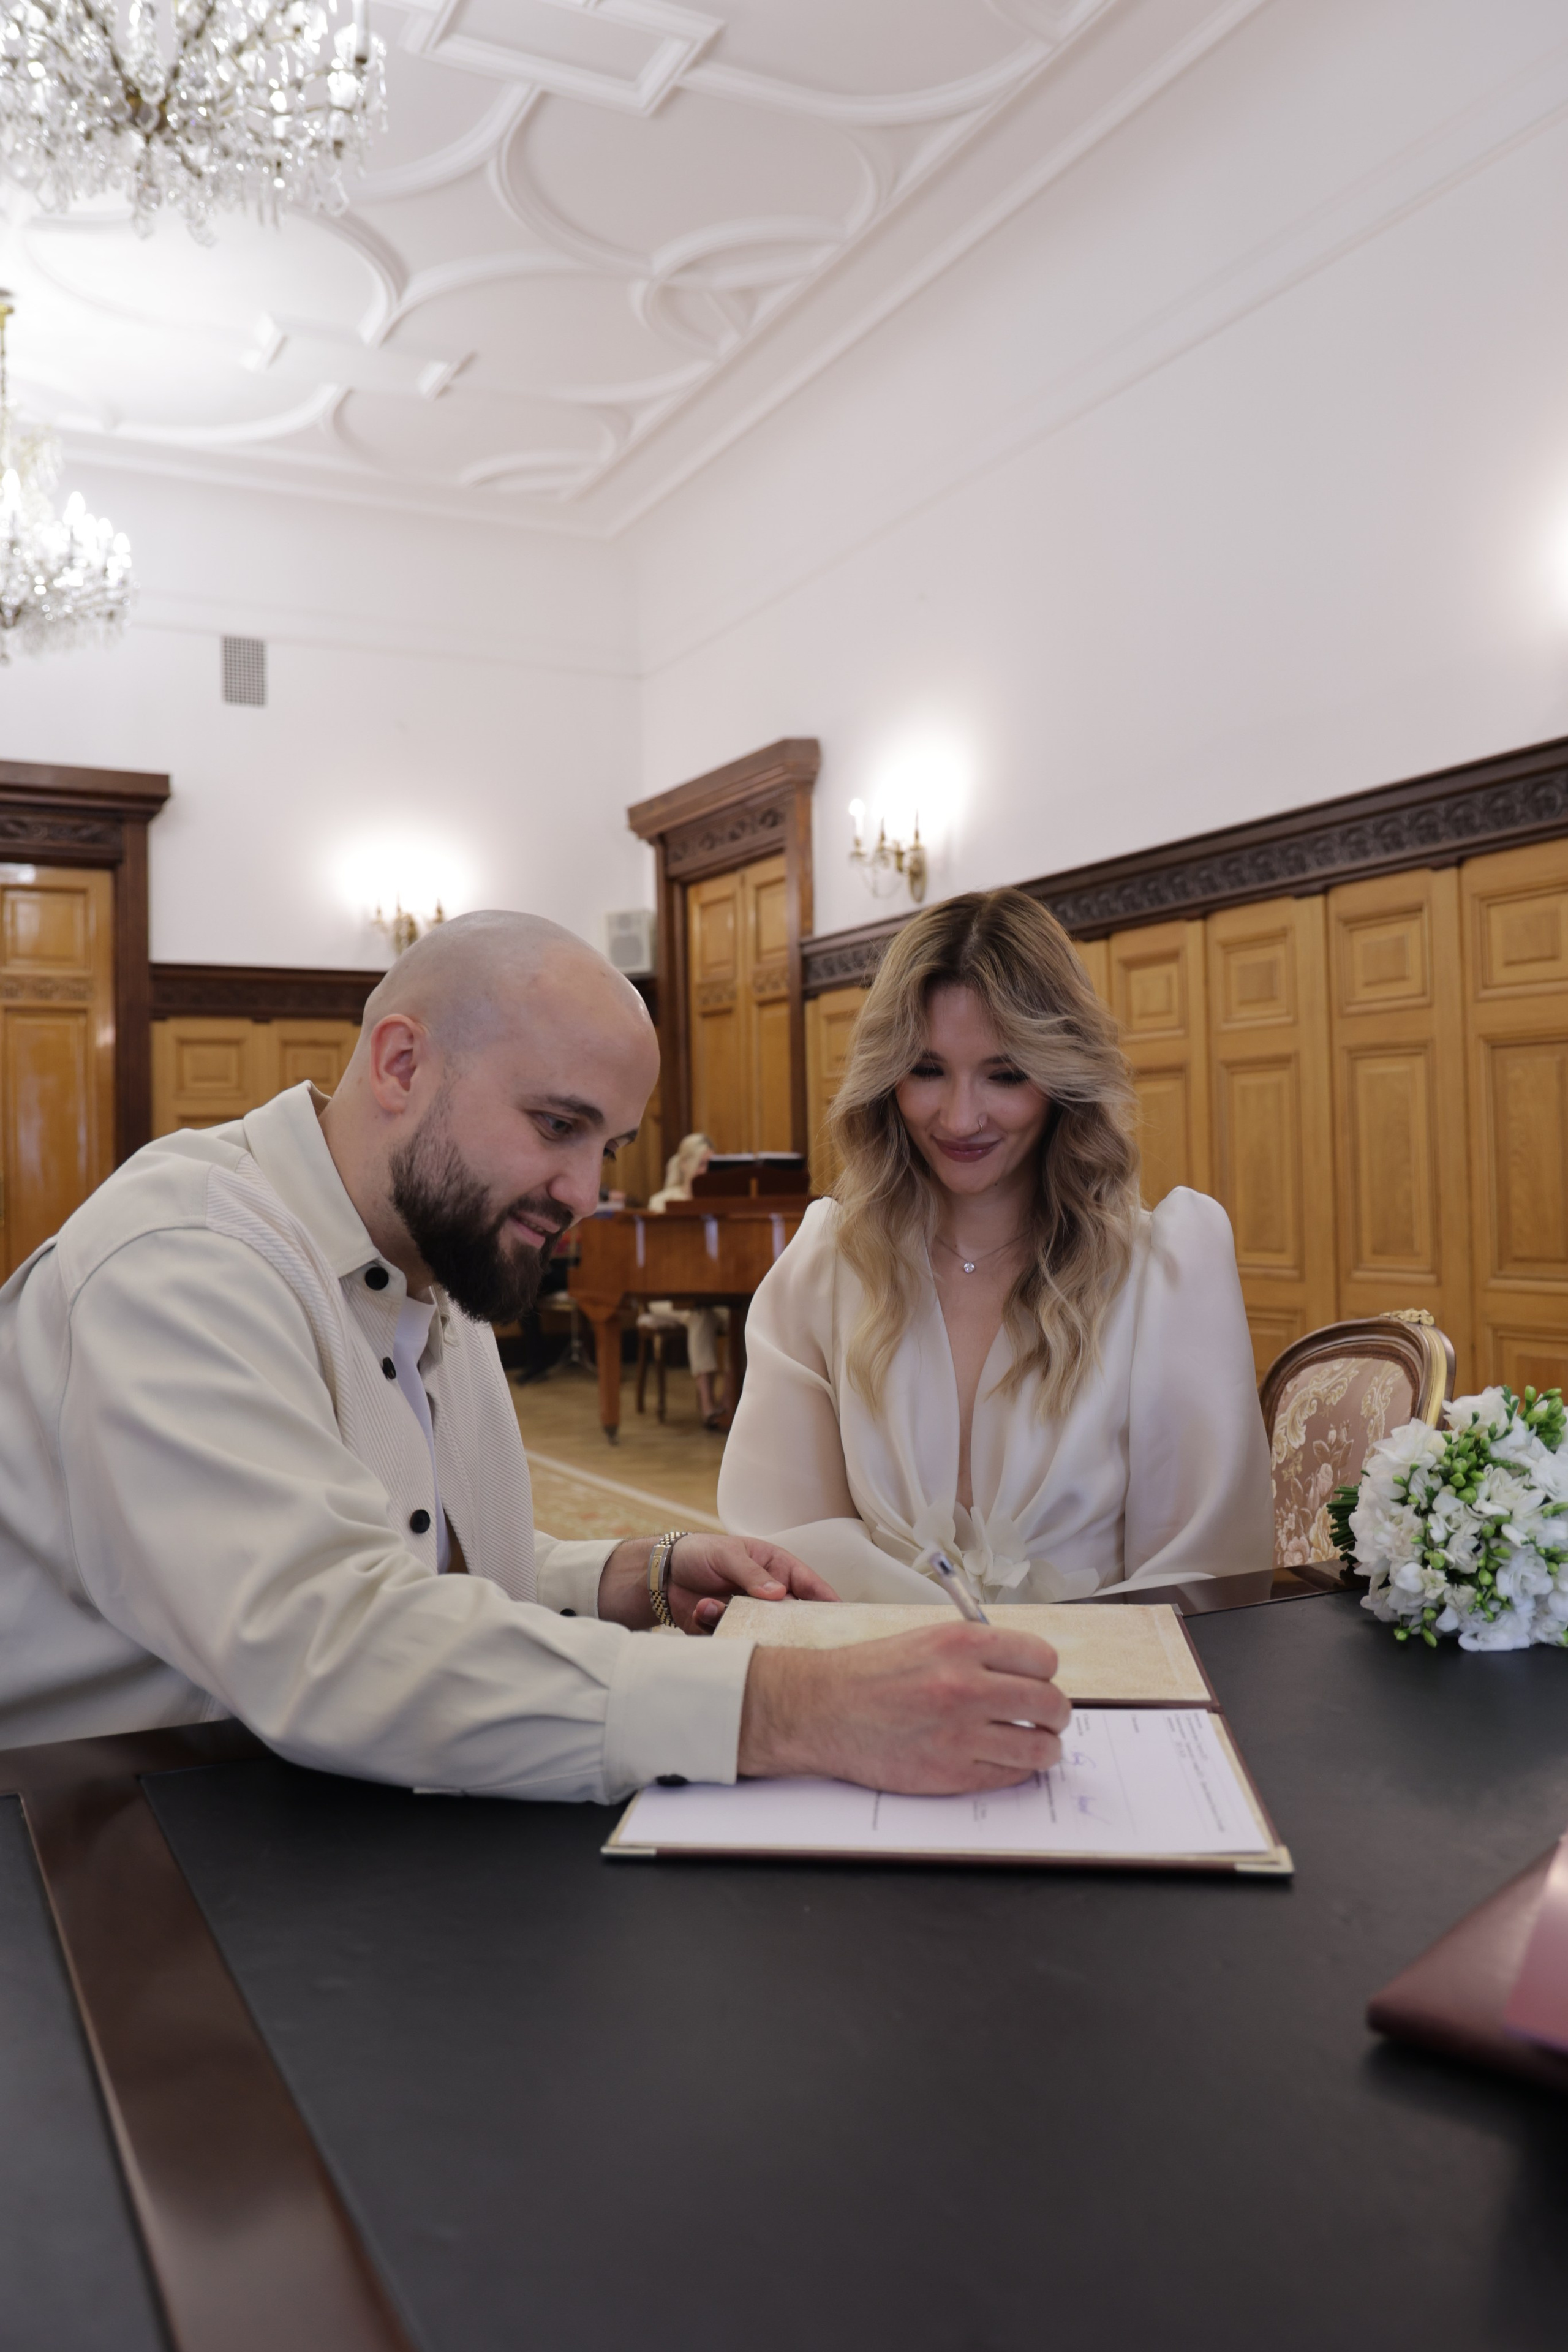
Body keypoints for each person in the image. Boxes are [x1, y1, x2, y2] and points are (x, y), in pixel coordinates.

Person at [0, 910, 1071, 1800]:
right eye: (557, 1125)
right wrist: (797, 1706)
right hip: (88, 1851)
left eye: (604, 1146)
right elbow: (328, 1643)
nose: (584, 1193)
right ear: (402, 1063)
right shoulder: (182, 1261)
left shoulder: (434, 1243)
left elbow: (401, 1547)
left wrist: (621, 1576)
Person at [719, 888, 1273, 1603]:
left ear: (1062, 1079)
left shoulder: (1163, 1274)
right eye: (926, 1070)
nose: (959, 1116)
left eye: (1005, 1074)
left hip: (1100, 1700)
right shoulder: (825, 1268)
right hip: (875, 1687)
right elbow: (783, 1545)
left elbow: (1203, 1575)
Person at [647, 1130, 730, 1426]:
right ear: (684, 1164)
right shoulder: (662, 1202)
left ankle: (729, 1401)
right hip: (667, 1296)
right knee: (699, 1315)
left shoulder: (721, 1204)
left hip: (710, 1293)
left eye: (711, 1164)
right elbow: (657, 1259)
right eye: (701, 1164)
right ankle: (707, 1402)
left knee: (741, 1318)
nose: (705, 1171)